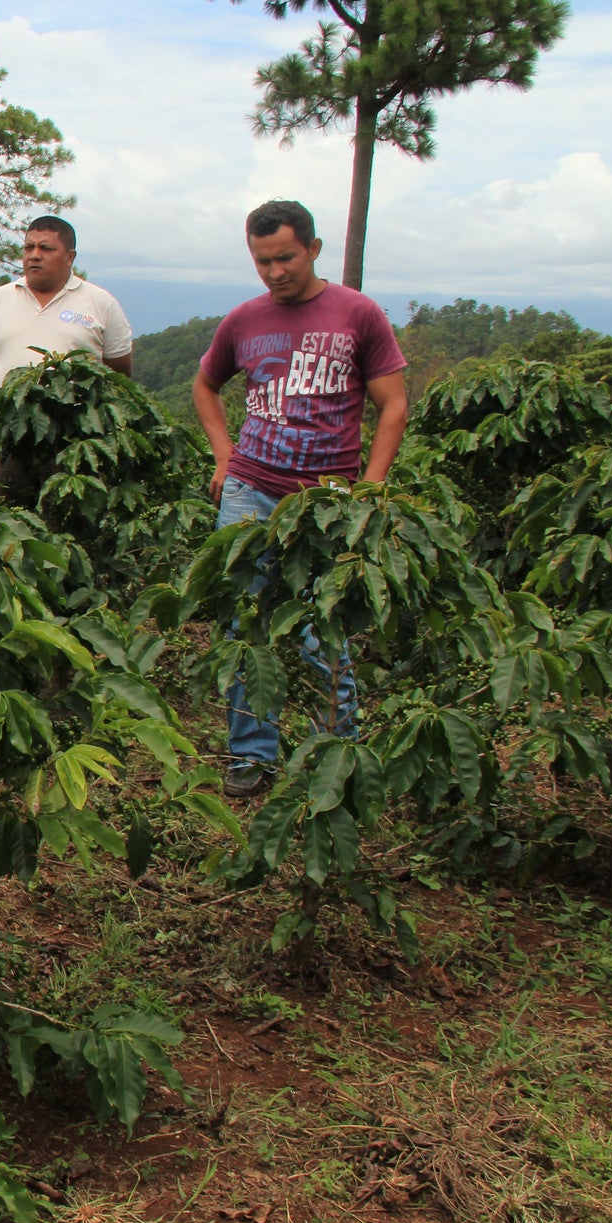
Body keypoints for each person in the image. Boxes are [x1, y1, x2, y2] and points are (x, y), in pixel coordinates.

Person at [191, 199, 409, 799]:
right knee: (245, 624)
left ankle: (336, 750)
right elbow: (206, 386)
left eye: (284, 257)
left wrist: (373, 484)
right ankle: (250, 755)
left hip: (327, 502)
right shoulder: (243, 320)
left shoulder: (357, 314)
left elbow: (393, 404)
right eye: (262, 261)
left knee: (324, 627)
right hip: (251, 490)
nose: (274, 272)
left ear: (313, 249)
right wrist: (224, 455)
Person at [0, 215, 134, 393]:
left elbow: (119, 373)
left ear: (70, 257)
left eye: (45, 248)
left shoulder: (102, 303)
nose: (34, 256)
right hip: (5, 419)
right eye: (29, 248)